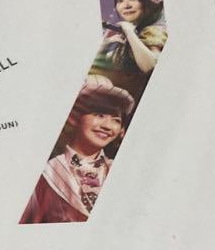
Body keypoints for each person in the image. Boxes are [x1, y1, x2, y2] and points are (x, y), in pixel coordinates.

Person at [20, 75, 135, 223]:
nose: (107, 126)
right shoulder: (45, 174)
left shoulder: (122, 171)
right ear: (73, 118)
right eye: (99, 115)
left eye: (116, 120)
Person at [94, 0, 166, 77]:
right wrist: (105, 45)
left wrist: (129, 32)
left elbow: (151, 68)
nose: (126, 5)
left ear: (145, 2)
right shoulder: (128, 35)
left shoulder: (154, 31)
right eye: (120, 1)